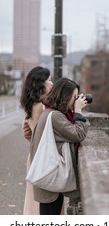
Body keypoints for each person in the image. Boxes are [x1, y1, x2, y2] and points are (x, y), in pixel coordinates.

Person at [30, 77, 90, 215]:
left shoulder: (49, 112)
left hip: (49, 175)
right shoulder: (55, 116)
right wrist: (78, 111)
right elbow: (78, 134)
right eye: (74, 97)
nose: (76, 100)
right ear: (65, 96)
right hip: (50, 179)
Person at [20, 66, 53, 214]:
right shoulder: (41, 107)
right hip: (44, 158)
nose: (52, 83)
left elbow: (26, 131)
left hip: (35, 156)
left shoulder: (32, 104)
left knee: (34, 197)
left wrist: (34, 142)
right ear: (40, 84)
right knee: (43, 200)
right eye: (49, 80)